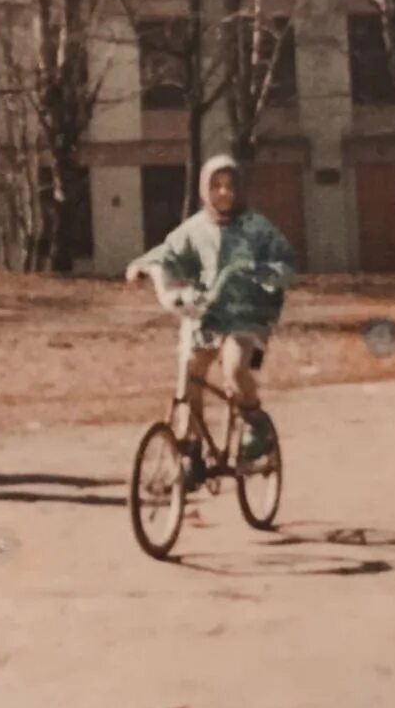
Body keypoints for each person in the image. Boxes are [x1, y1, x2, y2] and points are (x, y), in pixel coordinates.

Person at [127, 154, 296, 479]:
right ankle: (191, 451)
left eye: (230, 186)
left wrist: (264, 271)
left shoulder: (257, 227)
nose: (223, 193)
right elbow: (168, 252)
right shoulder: (195, 228)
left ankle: (254, 420)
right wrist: (142, 266)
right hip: (208, 313)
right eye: (215, 186)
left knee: (234, 367)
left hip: (250, 315)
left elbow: (286, 263)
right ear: (205, 190)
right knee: (189, 371)